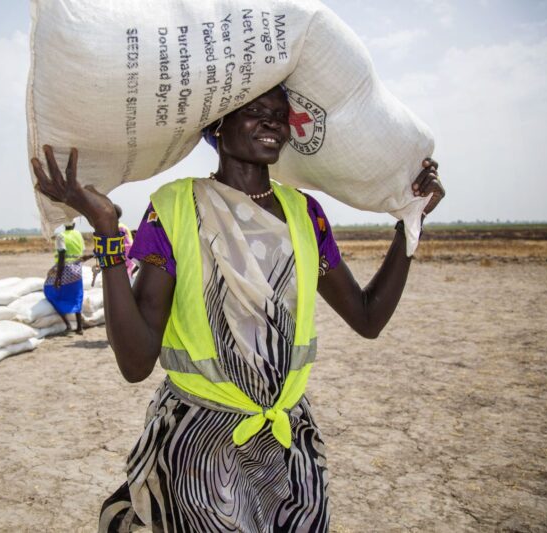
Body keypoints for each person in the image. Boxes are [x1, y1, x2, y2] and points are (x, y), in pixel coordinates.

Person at [31, 85, 444, 532]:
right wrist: (107, 231)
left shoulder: (307, 214)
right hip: (202, 451)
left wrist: (409, 227)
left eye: (278, 114)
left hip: (289, 448)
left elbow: (367, 318)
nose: (271, 122)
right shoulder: (174, 208)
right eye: (253, 111)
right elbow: (135, 362)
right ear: (217, 126)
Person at [43, 222, 85, 335]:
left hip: (64, 269)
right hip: (77, 269)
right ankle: (80, 327)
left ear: (63, 225)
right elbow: (81, 252)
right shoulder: (78, 234)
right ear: (74, 224)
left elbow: (61, 256)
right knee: (76, 295)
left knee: (49, 291)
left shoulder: (61, 236)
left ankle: (68, 325)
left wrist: (58, 278)